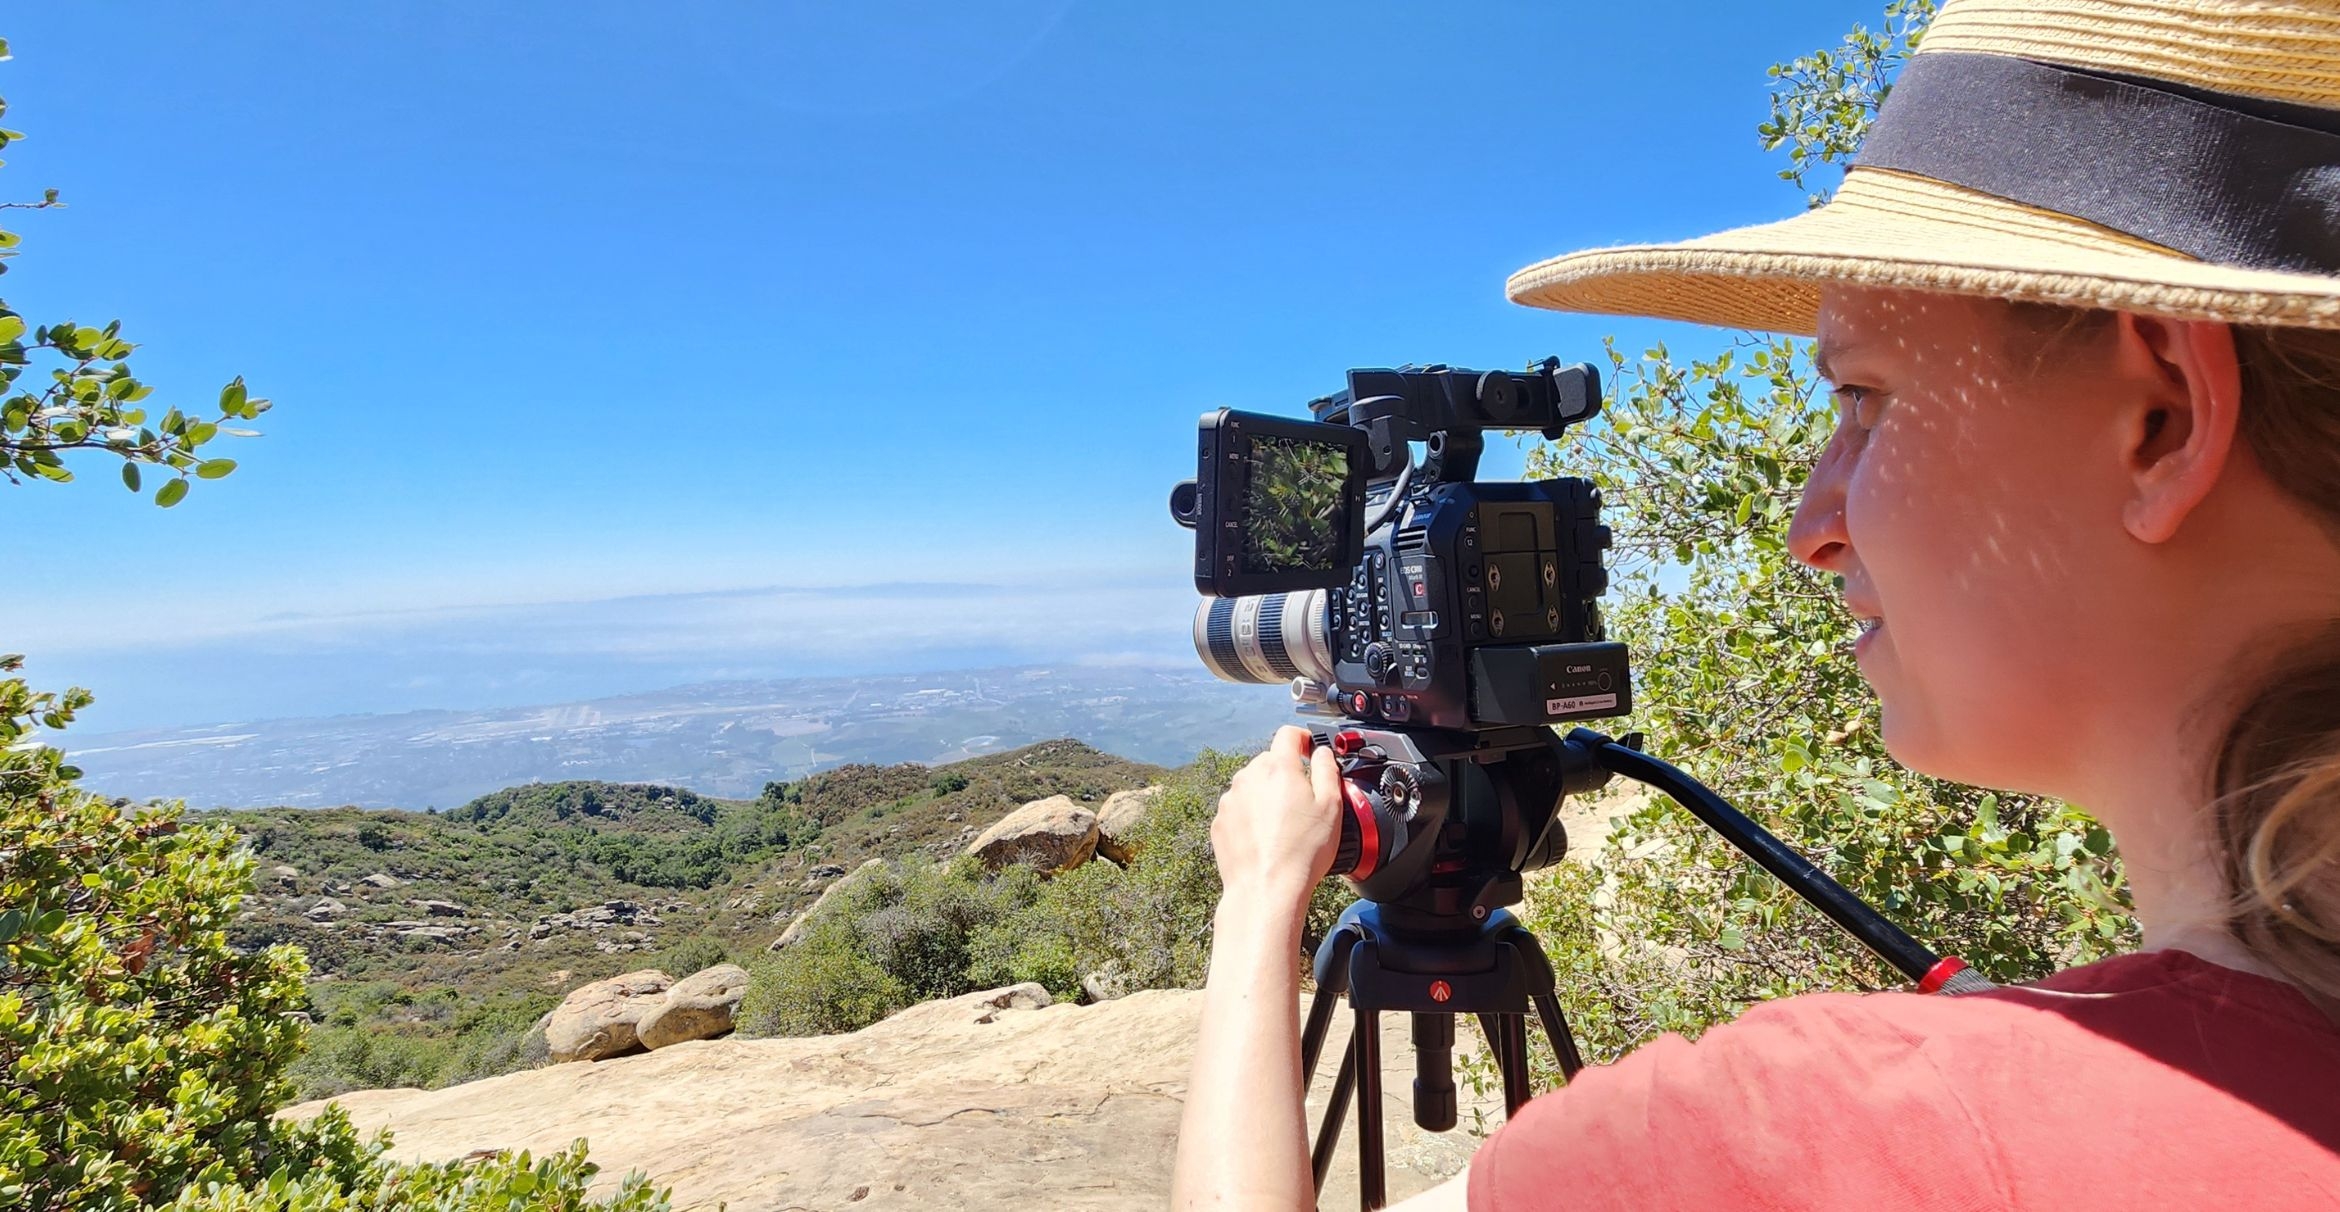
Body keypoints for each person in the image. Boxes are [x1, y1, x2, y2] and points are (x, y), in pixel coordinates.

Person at [1169, 0, 2340, 1208]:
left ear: (2164, 421)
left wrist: (1260, 901)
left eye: (1864, 401)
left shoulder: (1841, 1137)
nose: (1809, 529)